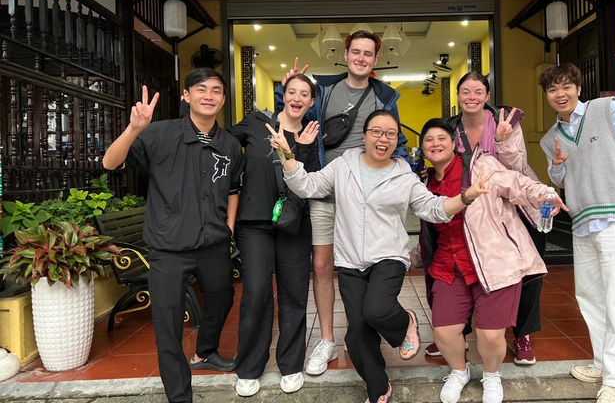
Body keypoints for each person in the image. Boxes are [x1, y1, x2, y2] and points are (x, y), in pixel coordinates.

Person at [267, 110, 491, 403]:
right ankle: (379, 387)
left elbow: (433, 209)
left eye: (390, 134)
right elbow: (309, 186)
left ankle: (406, 321)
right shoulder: (343, 165)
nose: (382, 138)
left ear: (396, 139)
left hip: (389, 256)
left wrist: (466, 197)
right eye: (376, 131)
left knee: (376, 310)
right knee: (357, 334)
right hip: (349, 260)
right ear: (365, 136)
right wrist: (287, 155)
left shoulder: (404, 176)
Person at [102, 68, 245, 403]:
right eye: (201, 90)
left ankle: (206, 351)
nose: (209, 96)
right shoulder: (159, 134)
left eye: (216, 91)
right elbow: (111, 163)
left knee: (222, 296)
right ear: (186, 96)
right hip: (168, 247)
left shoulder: (230, 144)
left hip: (213, 242)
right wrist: (135, 128)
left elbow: (234, 187)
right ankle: (180, 396)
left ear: (223, 99)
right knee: (167, 325)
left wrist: (230, 227)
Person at [274, 30, 408, 375]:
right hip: (326, 187)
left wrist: (403, 179)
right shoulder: (324, 89)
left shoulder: (384, 98)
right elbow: (293, 110)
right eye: (356, 52)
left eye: (368, 54)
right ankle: (327, 339)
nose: (361, 58)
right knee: (322, 265)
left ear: (375, 60)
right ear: (345, 55)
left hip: (366, 195)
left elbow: (398, 140)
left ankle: (359, 333)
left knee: (362, 266)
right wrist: (284, 89)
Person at [538, 55, 615, 403]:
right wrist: (558, 167)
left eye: (566, 86)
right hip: (582, 221)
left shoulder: (605, 109)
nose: (560, 93)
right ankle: (601, 362)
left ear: (578, 88)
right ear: (546, 96)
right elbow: (561, 179)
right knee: (590, 297)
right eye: (552, 89)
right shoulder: (551, 138)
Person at [419, 118, 567, 403]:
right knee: (444, 331)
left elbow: (516, 183)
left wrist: (545, 193)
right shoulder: (425, 181)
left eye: (442, 138)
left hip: (495, 262)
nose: (435, 144)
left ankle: (491, 374)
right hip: (449, 265)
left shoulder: (481, 167)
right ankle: (459, 371)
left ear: (453, 143)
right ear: (423, 147)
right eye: (429, 140)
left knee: (490, 335)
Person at [424, 71, 544, 366]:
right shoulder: (450, 127)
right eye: (465, 92)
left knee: (522, 274)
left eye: (478, 92)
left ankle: (522, 335)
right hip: (473, 209)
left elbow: (518, 167)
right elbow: (443, 161)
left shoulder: (505, 121)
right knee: (460, 267)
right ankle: (456, 332)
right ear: (458, 96)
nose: (472, 97)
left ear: (487, 95)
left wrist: (504, 142)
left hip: (512, 201)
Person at [228, 74, 320, 397]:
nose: (297, 98)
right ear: (283, 94)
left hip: (294, 224)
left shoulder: (310, 134)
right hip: (254, 222)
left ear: (311, 102)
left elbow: (312, 183)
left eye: (305, 94)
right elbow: (221, 141)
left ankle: (291, 363)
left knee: (295, 294)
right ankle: (250, 367)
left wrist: (303, 151)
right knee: (255, 292)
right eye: (292, 91)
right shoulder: (255, 122)